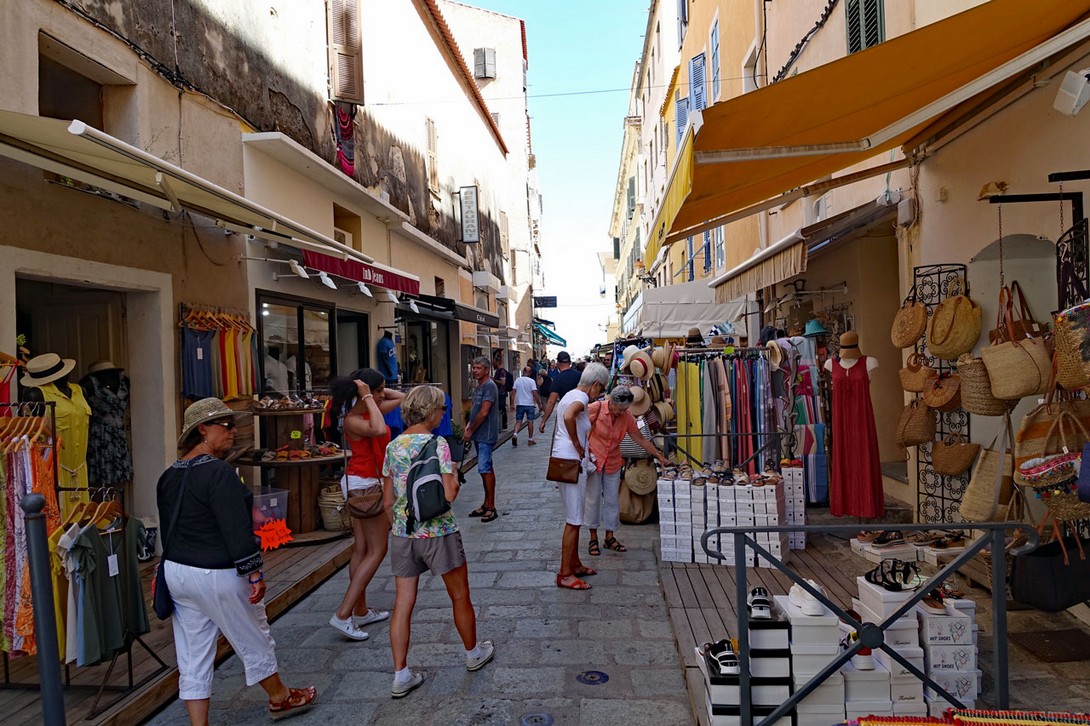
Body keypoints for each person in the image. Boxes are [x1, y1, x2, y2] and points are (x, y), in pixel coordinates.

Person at [158, 398, 316, 723]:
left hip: (178, 571)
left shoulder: (168, 476)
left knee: (192, 653)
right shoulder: (219, 473)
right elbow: (236, 528)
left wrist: (163, 568)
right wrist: (254, 572)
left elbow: (168, 525)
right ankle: (279, 696)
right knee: (252, 635)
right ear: (202, 430)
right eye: (226, 425)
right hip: (216, 571)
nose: (233, 431)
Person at [382, 385, 494, 698]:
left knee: (402, 604)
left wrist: (400, 527)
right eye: (442, 409)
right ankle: (473, 653)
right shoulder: (438, 444)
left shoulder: (393, 447)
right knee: (460, 595)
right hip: (438, 531)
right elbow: (449, 493)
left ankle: (401, 674)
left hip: (404, 533)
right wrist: (455, 474)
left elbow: (387, 500)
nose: (444, 414)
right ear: (431, 412)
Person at [326, 368, 406, 640]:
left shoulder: (368, 410)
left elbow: (403, 397)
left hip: (362, 482)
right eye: (380, 390)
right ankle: (343, 614)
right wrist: (367, 395)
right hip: (366, 485)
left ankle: (360, 610)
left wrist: (370, 393)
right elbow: (379, 429)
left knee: (361, 549)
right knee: (377, 550)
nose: (384, 394)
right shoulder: (353, 419)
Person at [585, 386, 669, 556]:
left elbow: (640, 439)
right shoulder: (596, 408)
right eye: (620, 408)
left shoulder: (627, 416)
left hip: (613, 462)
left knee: (612, 501)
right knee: (592, 500)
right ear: (612, 402)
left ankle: (610, 536)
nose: (621, 412)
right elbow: (578, 428)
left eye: (625, 409)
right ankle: (593, 538)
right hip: (594, 461)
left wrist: (658, 455)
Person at [552, 362, 609, 590]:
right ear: (595, 384)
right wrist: (577, 444)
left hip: (566, 460)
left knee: (573, 515)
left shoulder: (570, 394)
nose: (600, 394)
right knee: (574, 519)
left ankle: (574, 564)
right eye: (601, 389)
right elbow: (568, 416)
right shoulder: (582, 398)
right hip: (571, 461)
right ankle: (565, 573)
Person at [463, 357, 501, 522]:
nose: (475, 370)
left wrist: (470, 430)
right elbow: (476, 410)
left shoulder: (489, 387)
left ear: (486, 370)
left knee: (484, 468)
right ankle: (486, 503)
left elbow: (484, 412)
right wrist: (469, 425)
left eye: (479, 368)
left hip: (485, 434)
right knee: (486, 468)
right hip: (479, 433)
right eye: (474, 367)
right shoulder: (479, 387)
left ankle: (491, 507)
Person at [538, 351, 581, 435]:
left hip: (566, 413)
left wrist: (544, 420)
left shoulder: (558, 379)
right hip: (579, 411)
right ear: (569, 363)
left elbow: (551, 401)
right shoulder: (579, 375)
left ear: (558, 363)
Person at [511, 365, 541, 447]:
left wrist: (512, 404)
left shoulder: (517, 380)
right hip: (529, 404)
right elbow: (535, 393)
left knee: (518, 421)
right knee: (530, 421)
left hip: (520, 404)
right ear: (530, 373)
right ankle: (530, 439)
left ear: (523, 371)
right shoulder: (531, 381)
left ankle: (515, 434)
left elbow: (513, 392)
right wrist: (539, 405)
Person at [491, 350, 510, 431]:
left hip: (501, 393)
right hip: (499, 393)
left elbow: (503, 382)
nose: (492, 364)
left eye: (493, 362)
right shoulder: (498, 371)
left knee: (502, 408)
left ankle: (503, 425)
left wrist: (493, 380)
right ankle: (501, 424)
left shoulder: (501, 371)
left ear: (497, 362)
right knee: (501, 408)